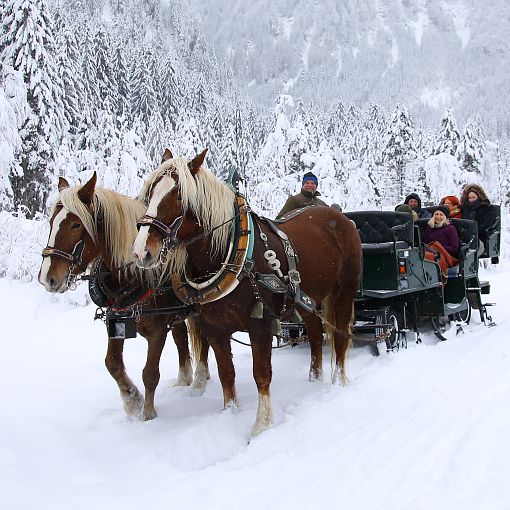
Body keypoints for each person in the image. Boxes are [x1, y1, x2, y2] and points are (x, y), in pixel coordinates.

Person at [422, 205, 461, 275]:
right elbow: (425, 242)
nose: (438, 217)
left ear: (445, 217)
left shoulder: (450, 228)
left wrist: (438, 247)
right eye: (436, 214)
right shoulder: (430, 227)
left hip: (446, 256)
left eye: (441, 215)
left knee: (432, 259)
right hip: (430, 253)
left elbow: (455, 248)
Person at [460, 184, 492, 254]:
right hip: (465, 238)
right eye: (469, 198)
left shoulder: (486, 208)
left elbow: (486, 226)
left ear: (479, 197)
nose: (471, 200)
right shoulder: (465, 208)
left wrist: (473, 231)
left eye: (473, 197)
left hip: (479, 238)